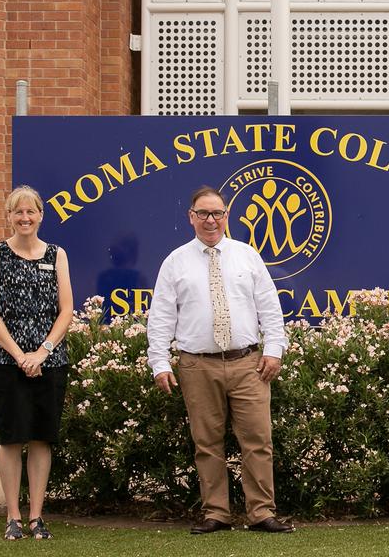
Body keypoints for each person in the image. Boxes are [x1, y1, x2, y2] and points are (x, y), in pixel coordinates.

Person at [147, 186, 294, 534]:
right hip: (196, 364)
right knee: (206, 443)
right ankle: (216, 514)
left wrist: (274, 350)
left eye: (217, 213)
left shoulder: (247, 256)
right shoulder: (175, 262)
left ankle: (261, 513)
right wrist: (160, 363)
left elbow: (270, 309)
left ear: (227, 216)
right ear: (191, 217)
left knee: (258, 439)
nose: (211, 220)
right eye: (203, 214)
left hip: (248, 364)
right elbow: (161, 317)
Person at [0, 185, 73, 541]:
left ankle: (36, 517)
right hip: (7, 361)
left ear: (40, 216)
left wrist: (43, 352)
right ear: (8, 216)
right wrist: (20, 356)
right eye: (17, 212)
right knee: (11, 437)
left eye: (31, 212)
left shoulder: (57, 254)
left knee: (40, 438)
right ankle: (13, 517)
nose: (24, 218)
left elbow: (66, 309)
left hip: (50, 361)